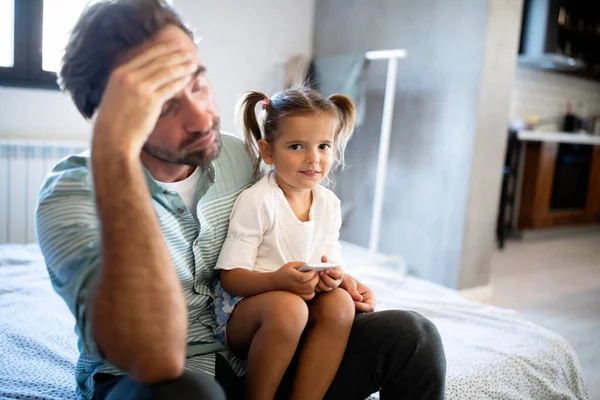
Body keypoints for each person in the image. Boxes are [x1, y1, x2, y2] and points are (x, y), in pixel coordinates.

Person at [35, 1, 446, 399]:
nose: (201, 119)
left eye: (197, 82)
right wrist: (116, 154)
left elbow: (289, 232)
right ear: (111, 116)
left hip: (254, 359)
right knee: (186, 393)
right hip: (146, 380)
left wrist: (332, 280)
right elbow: (154, 357)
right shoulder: (74, 197)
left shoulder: (238, 157)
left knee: (413, 337)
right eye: (164, 106)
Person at [212, 88, 357, 399]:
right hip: (245, 315)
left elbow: (329, 257)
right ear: (268, 152)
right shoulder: (259, 201)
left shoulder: (328, 204)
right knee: (288, 308)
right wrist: (279, 281)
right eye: (296, 146)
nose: (313, 158)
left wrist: (334, 277)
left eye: (324, 146)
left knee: (340, 303)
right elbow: (230, 277)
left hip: (301, 305)